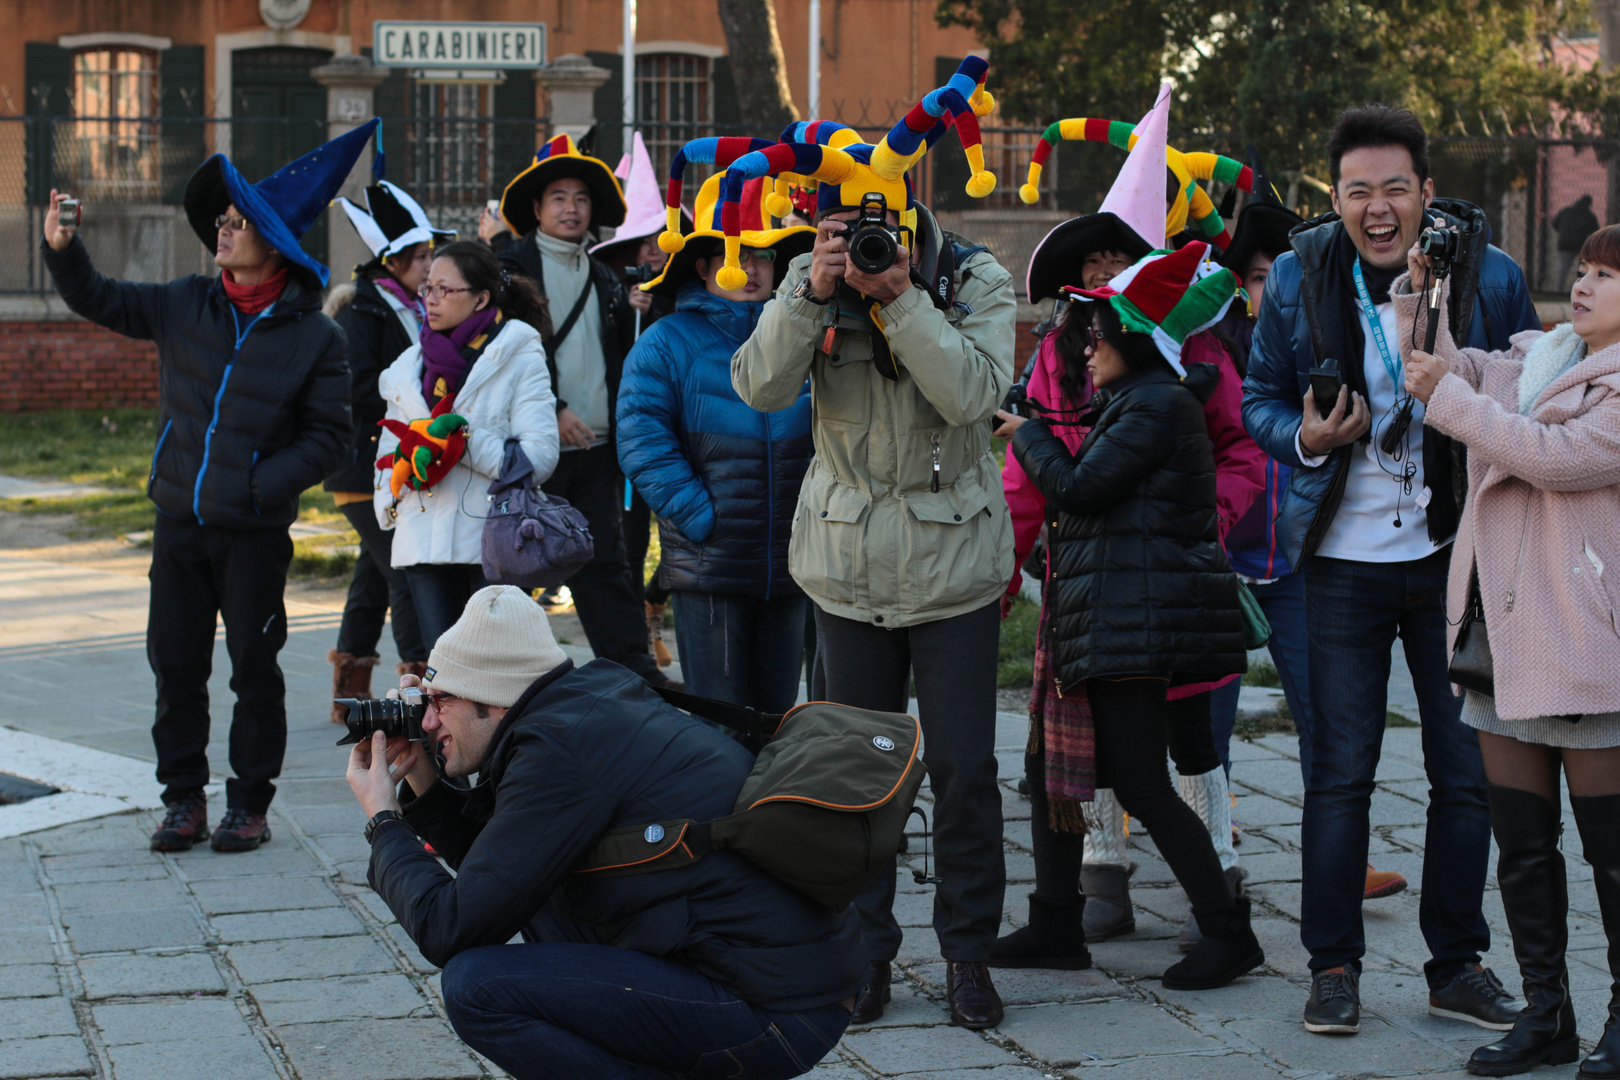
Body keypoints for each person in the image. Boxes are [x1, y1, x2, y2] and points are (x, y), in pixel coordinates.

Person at [1242, 104, 1541, 1036]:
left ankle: (1458, 964)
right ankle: (1333, 967)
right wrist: (1303, 437)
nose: (1379, 208)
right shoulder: (1296, 276)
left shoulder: (1488, 274)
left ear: (1425, 189)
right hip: (1339, 561)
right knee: (1339, 773)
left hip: (1458, 559)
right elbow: (1258, 396)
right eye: (1359, 190)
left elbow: (1531, 388)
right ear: (1335, 196)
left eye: (1396, 189)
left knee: (1465, 774)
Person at [732, 55, 1018, 1029]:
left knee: (965, 775)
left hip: (954, 569)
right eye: (851, 218)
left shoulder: (970, 273)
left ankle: (970, 957)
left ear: (907, 203)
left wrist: (901, 297)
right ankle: (863, 958)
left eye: (879, 218)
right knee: (853, 778)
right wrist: (806, 294)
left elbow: (977, 397)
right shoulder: (811, 277)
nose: (865, 235)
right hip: (847, 567)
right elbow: (758, 387)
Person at [344, 585, 861, 1080]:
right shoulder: (577, 707)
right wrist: (422, 778)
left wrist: (384, 822)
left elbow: (447, 928)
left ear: (492, 697)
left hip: (775, 1013)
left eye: (439, 701)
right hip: (792, 985)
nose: (428, 722)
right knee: (535, 902)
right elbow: (495, 879)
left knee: (478, 987)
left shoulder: (560, 752)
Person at [40, 123, 374, 852]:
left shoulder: (316, 337)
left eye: (237, 223)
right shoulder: (185, 302)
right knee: (176, 664)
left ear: (275, 243)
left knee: (255, 671)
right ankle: (183, 798)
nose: (221, 232)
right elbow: (102, 299)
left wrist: (259, 488)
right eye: (220, 221)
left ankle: (249, 802)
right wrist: (65, 251)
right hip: (179, 524)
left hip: (252, 534)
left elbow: (329, 438)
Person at [991, 105, 1266, 964]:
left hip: (1138, 612)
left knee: (1152, 774)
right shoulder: (1129, 393)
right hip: (1099, 605)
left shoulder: (1155, 402)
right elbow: (1054, 497)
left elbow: (1078, 484)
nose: (1084, 335)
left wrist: (1024, 432)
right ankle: (1060, 920)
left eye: (1105, 318)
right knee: (1053, 774)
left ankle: (1224, 929)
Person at [1394, 224, 1620, 1078]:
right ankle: (1547, 1016)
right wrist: (1426, 295)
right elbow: (1452, 368)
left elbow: (1551, 457)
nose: (1588, 282)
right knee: (1522, 844)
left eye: (1609, 274)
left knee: (1611, 853)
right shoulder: (1542, 354)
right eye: (1587, 268)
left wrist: (1449, 400)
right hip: (1500, 631)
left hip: (1589, 641)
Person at [617, 171, 816, 711]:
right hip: (711, 567)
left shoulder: (808, 338)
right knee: (719, 719)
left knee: (777, 719)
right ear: (704, 266)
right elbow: (642, 441)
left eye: (762, 256)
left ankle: (769, 801)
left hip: (792, 560)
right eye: (736, 255)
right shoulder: (666, 342)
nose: (750, 269)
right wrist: (703, 519)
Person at [495, 134, 674, 688]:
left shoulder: (605, 277)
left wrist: (642, 306)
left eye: (580, 198)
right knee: (516, 570)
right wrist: (554, 409)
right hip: (533, 453)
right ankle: (495, 682)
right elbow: (508, 353)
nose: (571, 208)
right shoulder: (505, 270)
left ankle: (637, 681)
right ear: (536, 209)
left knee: (606, 567)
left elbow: (623, 356)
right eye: (558, 198)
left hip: (599, 451)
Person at [373, 241, 558, 650]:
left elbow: (539, 457)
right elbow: (390, 443)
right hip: (422, 537)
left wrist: (458, 443)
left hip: (493, 541)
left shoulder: (519, 354)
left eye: (445, 289)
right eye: (427, 288)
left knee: (494, 678)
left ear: (481, 298)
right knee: (443, 675)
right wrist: (389, 500)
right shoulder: (409, 365)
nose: (431, 300)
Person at [324, 179, 454, 722]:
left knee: (372, 573)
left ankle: (347, 690)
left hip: (400, 464)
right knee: (402, 571)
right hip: (366, 466)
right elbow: (354, 393)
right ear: (394, 261)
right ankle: (421, 688)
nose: (430, 266)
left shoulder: (411, 306)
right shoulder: (363, 313)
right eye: (422, 256)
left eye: (430, 254)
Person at [589, 131, 692, 668]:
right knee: (627, 546)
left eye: (663, 240)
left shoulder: (686, 290)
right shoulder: (610, 295)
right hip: (627, 442)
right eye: (647, 242)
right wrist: (626, 310)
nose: (654, 251)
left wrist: (654, 308)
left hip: (682, 436)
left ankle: (653, 610)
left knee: (681, 539)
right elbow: (608, 359)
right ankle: (636, 655)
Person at [1552, 194, 1600, 291]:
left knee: (1563, 269)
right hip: (1580, 245)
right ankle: (1583, 288)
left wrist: (1563, 232)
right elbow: (1595, 231)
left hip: (1564, 244)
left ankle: (1559, 289)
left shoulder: (1566, 211)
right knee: (1584, 268)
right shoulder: (1589, 216)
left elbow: (1555, 223)